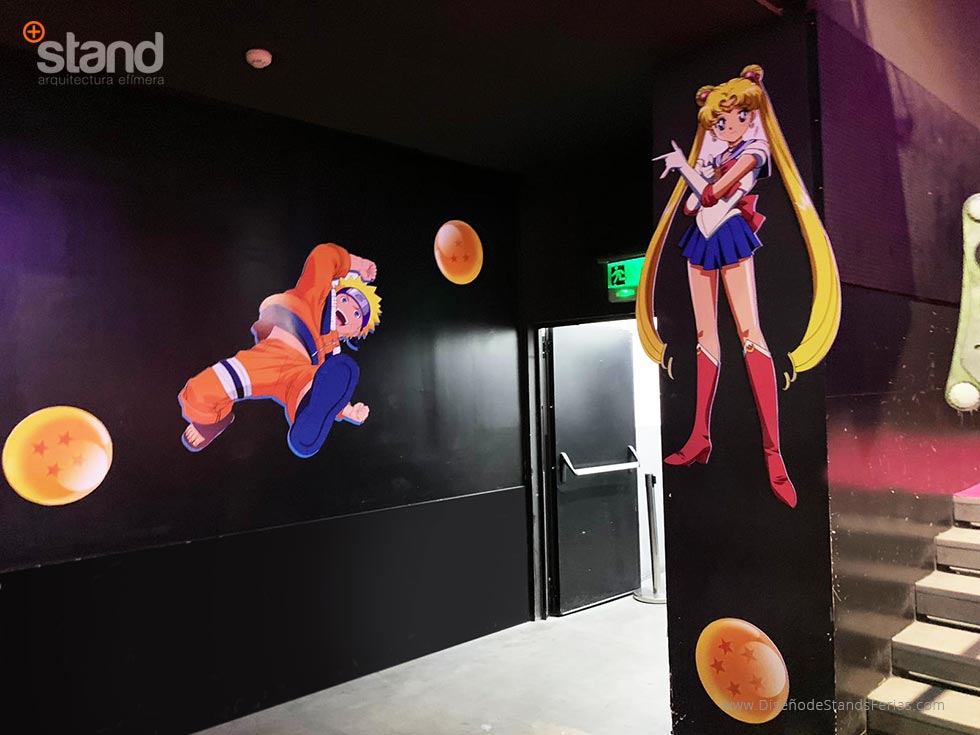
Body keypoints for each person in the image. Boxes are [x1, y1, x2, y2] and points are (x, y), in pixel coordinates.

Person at [648, 64, 835, 509]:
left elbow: (711, 195)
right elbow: (692, 206)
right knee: (704, 336)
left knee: (751, 335)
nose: (728, 126)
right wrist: (696, 171)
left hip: (730, 234)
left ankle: (774, 454)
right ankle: (700, 436)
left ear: (752, 115)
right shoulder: (718, 154)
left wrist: (686, 169)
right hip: (701, 239)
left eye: (737, 117)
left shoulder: (754, 153)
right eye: (719, 121)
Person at [178, 242, 381, 458]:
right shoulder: (316, 296)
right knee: (201, 390)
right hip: (273, 352)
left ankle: (305, 411)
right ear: (335, 294)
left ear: (355, 332)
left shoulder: (331, 358)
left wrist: (348, 411)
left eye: (357, 315)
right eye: (345, 299)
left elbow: (331, 394)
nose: (348, 310)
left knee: (313, 384)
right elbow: (324, 256)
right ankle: (214, 421)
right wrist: (358, 265)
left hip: (298, 373)